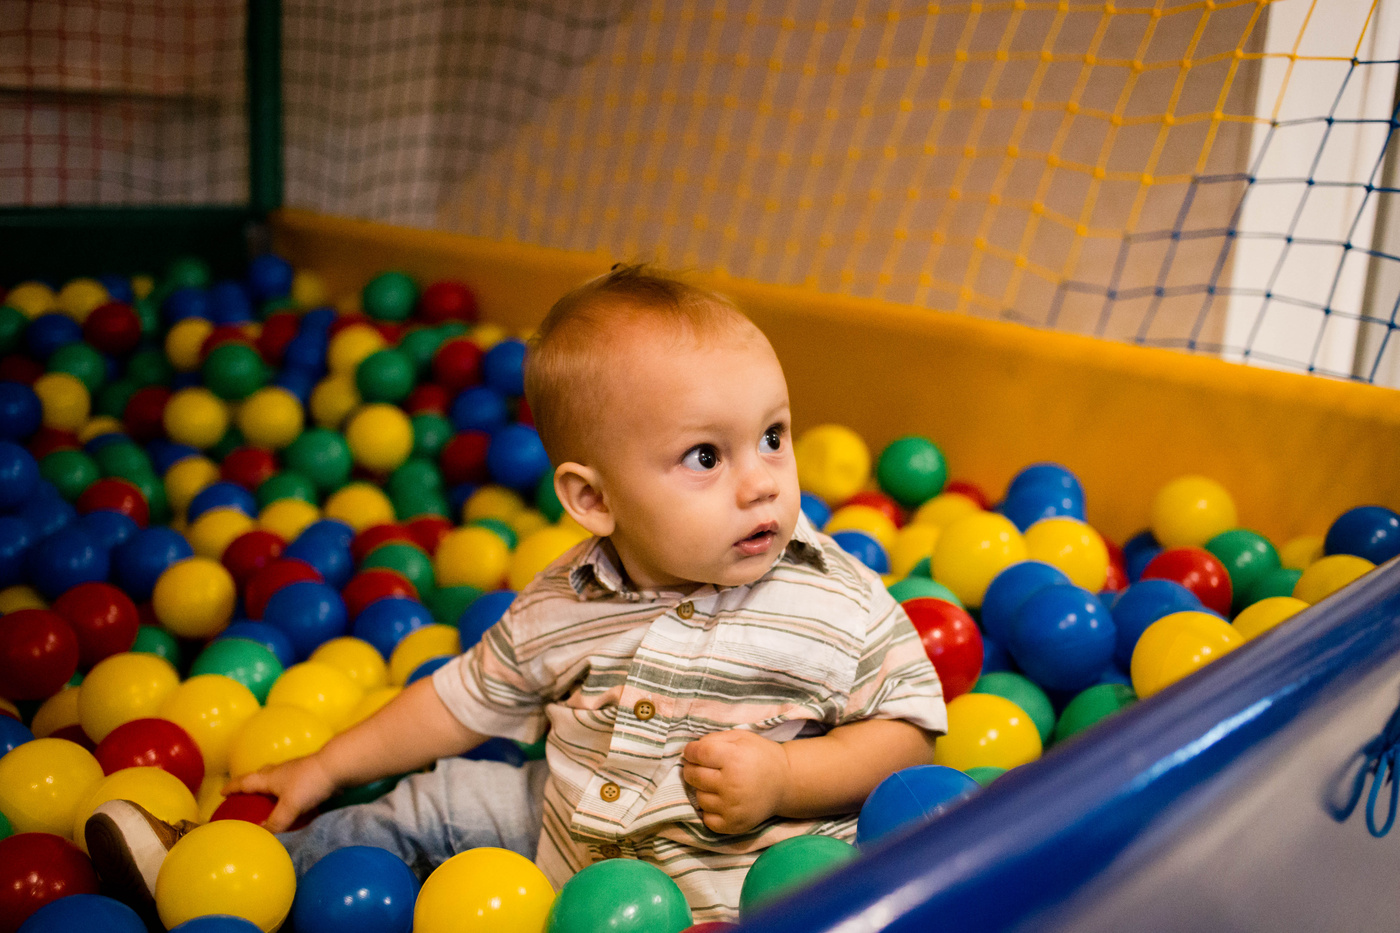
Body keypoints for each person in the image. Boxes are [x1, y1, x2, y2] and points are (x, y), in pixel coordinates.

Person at [87, 264, 947, 923]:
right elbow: (458, 699)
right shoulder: (565, 599)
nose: (761, 482)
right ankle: (223, 875)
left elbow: (910, 736)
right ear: (594, 500)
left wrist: (787, 776)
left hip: (732, 891)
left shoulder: (833, 595)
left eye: (772, 436)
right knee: (433, 799)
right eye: (705, 456)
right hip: (560, 828)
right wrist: (325, 764)